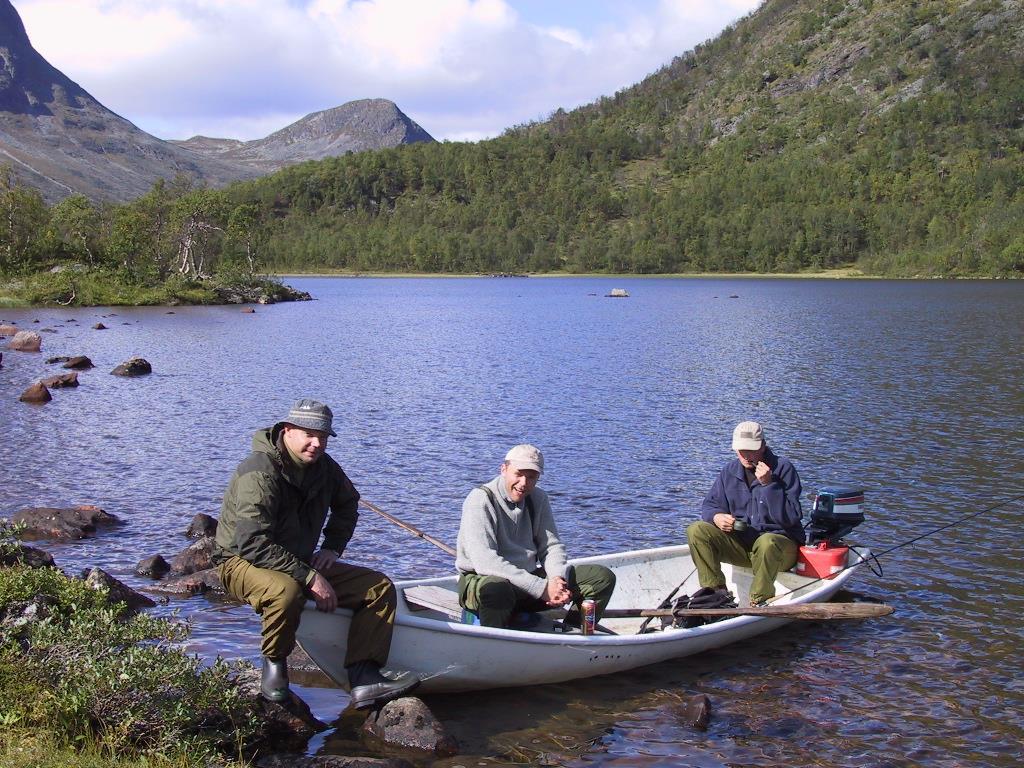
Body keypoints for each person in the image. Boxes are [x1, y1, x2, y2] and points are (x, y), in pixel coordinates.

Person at [213, 398, 419, 708]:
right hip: (241, 560)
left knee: (377, 587)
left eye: (323, 437)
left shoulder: (325, 468)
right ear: (288, 430)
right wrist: (310, 576)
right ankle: (275, 668)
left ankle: (364, 676)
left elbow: (348, 505)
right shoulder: (259, 472)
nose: (316, 443)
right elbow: (252, 542)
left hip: (296, 558)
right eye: (309, 434)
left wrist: (332, 548)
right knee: (286, 590)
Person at [455, 444, 616, 629]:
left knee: (601, 578)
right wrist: (541, 589)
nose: (524, 483)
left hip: (526, 581)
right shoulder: (480, 500)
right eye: (518, 474)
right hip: (483, 583)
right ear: (504, 469)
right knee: (497, 589)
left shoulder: (538, 499)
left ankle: (574, 633)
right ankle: (493, 646)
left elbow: (551, 547)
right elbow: (485, 562)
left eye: (531, 477)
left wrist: (557, 581)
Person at [686, 421, 805, 607]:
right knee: (697, 530)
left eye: (751, 450)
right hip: (744, 546)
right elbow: (709, 506)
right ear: (735, 449)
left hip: (781, 549)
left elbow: (790, 518)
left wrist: (769, 485)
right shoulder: (729, 471)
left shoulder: (783, 469)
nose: (746, 456)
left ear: (763, 446)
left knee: (767, 542)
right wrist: (717, 517)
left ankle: (758, 601)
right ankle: (717, 595)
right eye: (742, 450)